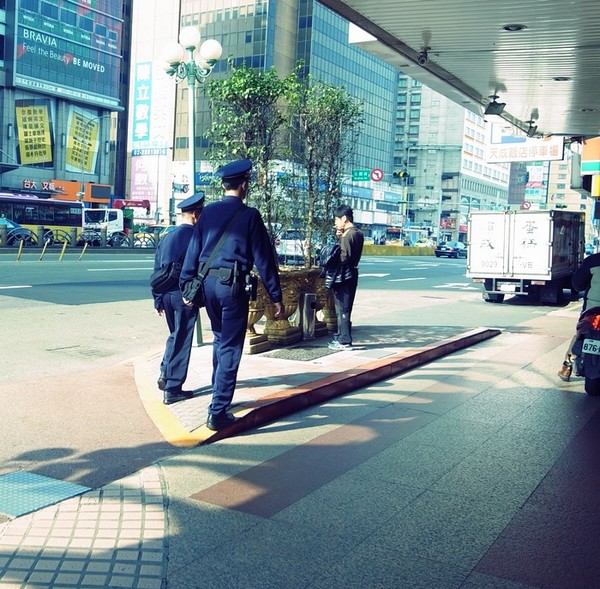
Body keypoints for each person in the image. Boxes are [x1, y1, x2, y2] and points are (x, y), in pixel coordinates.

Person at [180, 159, 284, 431]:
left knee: (219, 339)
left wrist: (187, 287)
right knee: (229, 346)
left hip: (206, 286)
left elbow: (193, 251)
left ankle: (219, 394)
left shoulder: (208, 213)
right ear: (244, 185)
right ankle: (218, 410)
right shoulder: (250, 216)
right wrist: (276, 296)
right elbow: (264, 260)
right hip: (232, 288)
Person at [152, 192, 205, 404]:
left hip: (165, 294)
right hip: (184, 297)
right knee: (182, 338)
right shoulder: (198, 238)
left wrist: (157, 299)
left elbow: (156, 270)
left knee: (175, 334)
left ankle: (165, 373)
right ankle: (173, 388)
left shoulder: (166, 238)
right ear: (195, 215)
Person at [558, 251, 600, 381]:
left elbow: (577, 285)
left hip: (593, 309)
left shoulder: (593, 260)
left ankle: (567, 366)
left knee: (580, 334)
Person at [328, 204, 364, 352]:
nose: (335, 223)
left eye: (337, 219)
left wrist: (330, 259)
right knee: (345, 307)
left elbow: (343, 257)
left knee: (342, 308)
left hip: (344, 275)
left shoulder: (348, 235)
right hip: (352, 273)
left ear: (344, 218)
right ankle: (342, 336)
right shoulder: (358, 233)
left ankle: (345, 340)